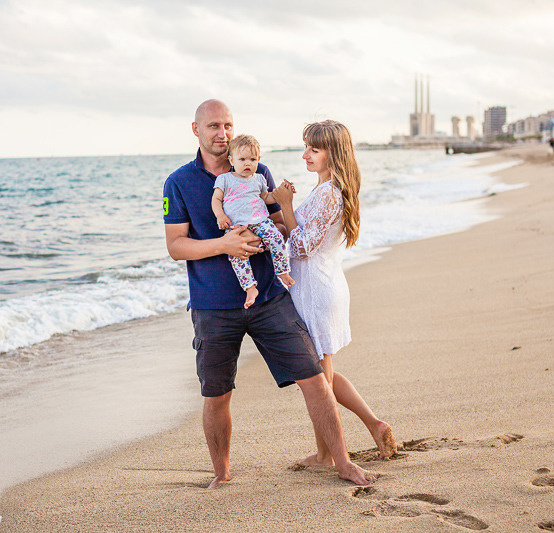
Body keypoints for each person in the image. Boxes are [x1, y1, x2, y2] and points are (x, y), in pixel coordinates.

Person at [163, 100, 374, 489]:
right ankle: (222, 473)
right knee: (216, 394)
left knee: (313, 376)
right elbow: (176, 245)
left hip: (272, 299)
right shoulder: (178, 183)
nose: (222, 134)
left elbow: (279, 219)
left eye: (228, 125)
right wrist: (223, 244)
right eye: (213, 126)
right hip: (213, 306)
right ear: (196, 130)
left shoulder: (258, 169)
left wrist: (273, 230)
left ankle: (342, 462)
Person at [272, 120, 398, 466]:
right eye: (306, 147)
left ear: (334, 152)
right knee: (320, 376)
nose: (305, 155)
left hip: (318, 292)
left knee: (319, 382)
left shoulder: (330, 192)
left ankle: (327, 455)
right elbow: (300, 234)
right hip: (317, 287)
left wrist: (284, 205)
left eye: (314, 149)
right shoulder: (323, 189)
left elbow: (301, 246)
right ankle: (373, 425)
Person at [212, 134, 294, 309]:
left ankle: (282, 271)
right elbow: (216, 200)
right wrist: (220, 216)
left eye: (252, 159)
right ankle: (250, 287)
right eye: (242, 159)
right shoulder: (225, 179)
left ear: (258, 160)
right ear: (231, 160)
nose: (247, 163)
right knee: (237, 256)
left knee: (277, 239)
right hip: (237, 226)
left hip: (261, 221)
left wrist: (281, 192)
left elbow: (267, 197)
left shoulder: (259, 179)